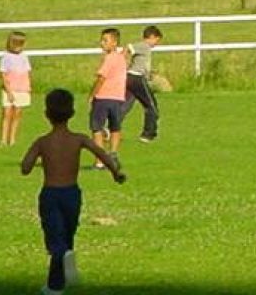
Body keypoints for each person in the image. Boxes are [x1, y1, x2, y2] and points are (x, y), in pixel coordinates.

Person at [21, 88, 127, 295]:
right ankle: (56, 284)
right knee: (67, 234)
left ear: (46, 114)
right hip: (72, 193)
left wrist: (40, 160)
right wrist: (115, 172)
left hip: (51, 194)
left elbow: (25, 167)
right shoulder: (78, 139)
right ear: (71, 113)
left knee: (55, 238)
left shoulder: (42, 142)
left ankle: (56, 282)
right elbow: (102, 154)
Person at [88, 28, 127, 164]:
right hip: (118, 98)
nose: (101, 43)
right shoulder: (121, 58)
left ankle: (99, 160)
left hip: (104, 97)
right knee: (115, 127)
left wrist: (92, 95)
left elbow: (101, 78)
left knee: (97, 128)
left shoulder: (109, 59)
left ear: (114, 43)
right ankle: (113, 153)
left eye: (105, 40)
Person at [122, 26, 163, 143]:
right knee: (151, 105)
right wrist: (122, 62)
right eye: (157, 40)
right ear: (151, 37)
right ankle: (148, 134)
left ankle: (111, 128)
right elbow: (128, 48)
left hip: (130, 78)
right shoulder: (144, 46)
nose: (156, 44)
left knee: (125, 105)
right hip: (137, 78)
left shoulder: (145, 48)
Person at [0, 31, 33, 147]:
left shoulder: (24, 56)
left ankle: (12, 139)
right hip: (10, 88)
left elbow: (27, 72)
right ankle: (3, 139)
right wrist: (8, 90)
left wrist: (28, 86)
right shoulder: (6, 57)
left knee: (17, 114)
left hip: (22, 88)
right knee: (7, 113)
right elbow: (3, 74)